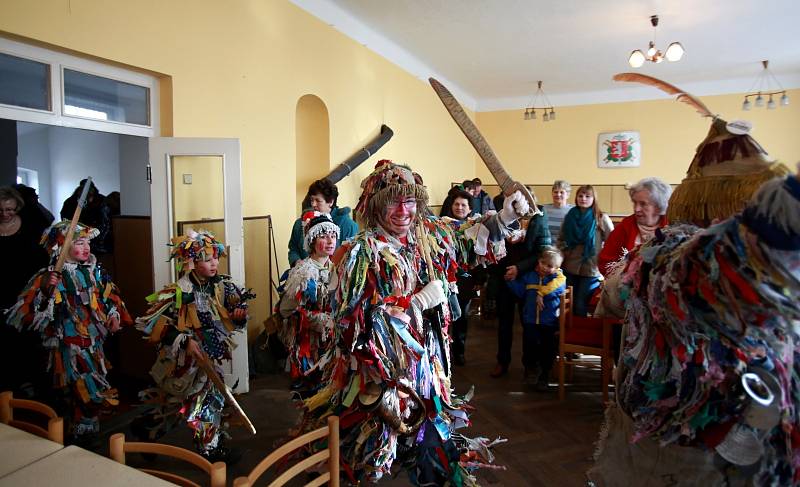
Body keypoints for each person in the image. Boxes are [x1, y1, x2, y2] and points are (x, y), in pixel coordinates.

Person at [300, 160, 527, 485]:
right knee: (373, 452)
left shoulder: (428, 235)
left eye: (410, 201)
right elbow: (351, 328)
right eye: (394, 201)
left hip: (427, 366)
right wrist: (415, 304)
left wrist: (506, 214)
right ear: (376, 205)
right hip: (379, 380)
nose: (404, 210)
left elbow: (466, 241)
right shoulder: (357, 254)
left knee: (428, 444)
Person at [5, 220, 132, 442]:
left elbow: (110, 297)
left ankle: (85, 427)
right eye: (79, 243)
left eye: (87, 243)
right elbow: (27, 313)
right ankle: (78, 428)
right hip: (67, 343)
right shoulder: (50, 277)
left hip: (94, 340)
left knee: (92, 381)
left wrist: (113, 314)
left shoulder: (96, 271)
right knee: (79, 386)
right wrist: (46, 290)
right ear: (59, 248)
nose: (86, 248)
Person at [135, 230, 251, 462]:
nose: (214, 263)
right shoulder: (180, 291)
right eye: (207, 259)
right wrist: (184, 340)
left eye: (215, 257)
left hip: (209, 357)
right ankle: (152, 428)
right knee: (182, 400)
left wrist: (238, 316)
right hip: (185, 361)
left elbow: (235, 313)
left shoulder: (222, 286)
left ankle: (206, 446)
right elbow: (152, 322)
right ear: (192, 262)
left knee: (206, 399)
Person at [490, 188, 552, 378]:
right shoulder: (503, 216)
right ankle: (502, 362)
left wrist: (519, 268)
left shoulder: (538, 218)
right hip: (505, 277)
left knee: (529, 325)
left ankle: (530, 364)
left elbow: (542, 251)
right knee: (504, 325)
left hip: (528, 278)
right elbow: (492, 242)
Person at [278, 211, 339, 388]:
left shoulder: (339, 268)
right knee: (312, 387)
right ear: (312, 240)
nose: (330, 241)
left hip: (333, 341)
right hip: (309, 344)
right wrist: (317, 320)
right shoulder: (303, 272)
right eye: (324, 236)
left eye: (333, 236)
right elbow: (286, 310)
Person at [0, 187, 52, 395]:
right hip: (1, 292)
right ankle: (8, 386)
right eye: (1, 209)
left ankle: (30, 383)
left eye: (9, 209)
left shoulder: (30, 227)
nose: (4, 213)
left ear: (18, 207)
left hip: (26, 292)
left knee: (28, 341)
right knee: (4, 342)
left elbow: (41, 260)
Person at [506, 247, 566, 391]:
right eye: (544, 264)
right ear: (539, 261)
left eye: (550, 266)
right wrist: (510, 281)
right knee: (529, 347)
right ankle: (530, 370)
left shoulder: (558, 279)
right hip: (530, 320)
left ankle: (544, 374)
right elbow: (521, 292)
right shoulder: (530, 276)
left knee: (547, 349)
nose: (546, 268)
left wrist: (541, 292)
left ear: (557, 268)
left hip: (549, 322)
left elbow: (555, 288)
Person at [440, 188, 483, 365]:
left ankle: (459, 351)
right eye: (456, 204)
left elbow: (482, 255)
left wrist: (480, 280)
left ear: (469, 208)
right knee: (443, 315)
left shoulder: (476, 227)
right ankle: (443, 351)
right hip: (446, 277)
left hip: (466, 279)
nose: (459, 207)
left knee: (462, 316)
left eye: (463, 205)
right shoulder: (442, 226)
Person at [597, 177, 671, 276]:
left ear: (659, 206)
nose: (636, 209)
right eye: (635, 202)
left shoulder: (672, 227)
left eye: (643, 204)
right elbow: (604, 262)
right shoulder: (624, 227)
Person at [559, 185, 614, 316]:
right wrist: (562, 253)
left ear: (594, 198)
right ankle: (567, 333)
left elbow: (613, 242)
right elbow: (561, 239)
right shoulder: (570, 216)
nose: (583, 199)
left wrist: (603, 258)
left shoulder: (601, 218)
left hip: (591, 269)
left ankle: (580, 333)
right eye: (580, 196)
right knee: (568, 303)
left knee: (580, 303)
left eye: (587, 196)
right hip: (569, 265)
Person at [288, 178, 358, 266]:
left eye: (318, 201)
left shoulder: (347, 225)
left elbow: (351, 257)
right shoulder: (300, 224)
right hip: (303, 274)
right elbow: (293, 248)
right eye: (312, 200)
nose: (313, 204)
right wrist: (297, 262)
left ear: (331, 202)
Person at [60, 179, 113, 257]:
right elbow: (65, 218)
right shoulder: (71, 202)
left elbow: (106, 221)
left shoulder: (102, 201)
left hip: (97, 238)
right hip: (78, 236)